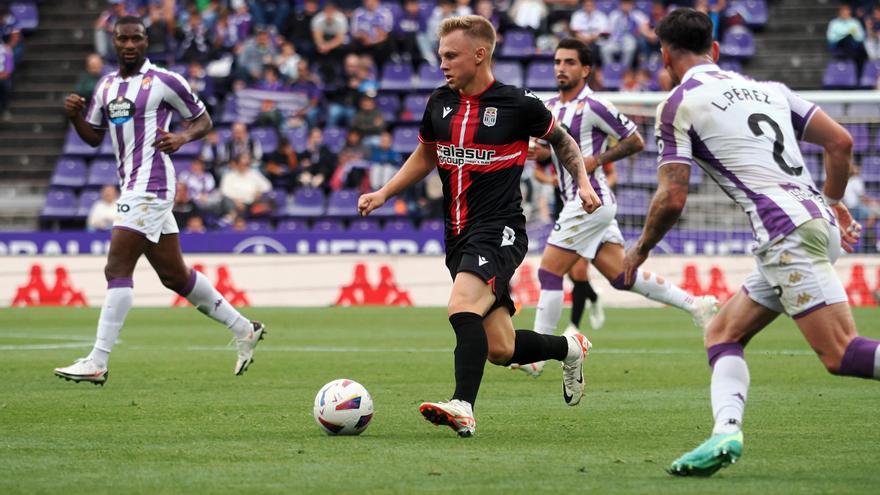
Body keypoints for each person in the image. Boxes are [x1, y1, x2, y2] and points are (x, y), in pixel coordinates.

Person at [622, 9, 871, 477]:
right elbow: (840, 143)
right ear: (714, 50)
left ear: (665, 56)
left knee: (840, 353)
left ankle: (725, 432)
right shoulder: (771, 91)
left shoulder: (679, 103)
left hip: (785, 232)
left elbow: (672, 196)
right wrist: (835, 201)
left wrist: (639, 251)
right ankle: (725, 433)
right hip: (813, 218)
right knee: (723, 333)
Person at [358, 15, 601, 437]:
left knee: (461, 307)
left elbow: (562, 140)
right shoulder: (439, 103)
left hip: (500, 228)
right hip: (457, 233)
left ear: (480, 54)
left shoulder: (518, 104)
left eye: (451, 55)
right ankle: (569, 348)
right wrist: (385, 193)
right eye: (440, 56)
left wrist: (582, 181)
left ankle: (463, 406)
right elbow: (427, 154)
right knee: (500, 349)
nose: (443, 63)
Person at [55, 16, 266, 386]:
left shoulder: (165, 81)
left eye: (137, 38)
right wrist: (75, 116)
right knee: (174, 276)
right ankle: (245, 328)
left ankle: (98, 360)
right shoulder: (105, 87)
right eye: (124, 39)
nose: (131, 44)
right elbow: (92, 137)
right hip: (132, 185)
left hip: (151, 183)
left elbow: (204, 121)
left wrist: (183, 138)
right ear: (114, 42)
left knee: (116, 268)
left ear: (146, 41)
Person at [513, 38, 717, 378]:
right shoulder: (549, 107)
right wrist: (545, 154)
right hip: (580, 202)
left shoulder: (594, 105)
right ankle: (695, 304)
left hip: (590, 200)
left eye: (569, 62)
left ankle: (536, 356)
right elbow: (555, 149)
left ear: (586, 69)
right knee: (622, 276)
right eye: (558, 61)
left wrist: (596, 159)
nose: (561, 68)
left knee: (549, 271)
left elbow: (635, 138)